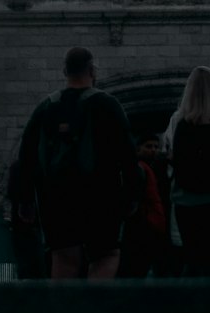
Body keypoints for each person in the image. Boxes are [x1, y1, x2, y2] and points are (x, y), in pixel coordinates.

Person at [17, 45, 140, 279]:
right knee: (105, 256)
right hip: (102, 194)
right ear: (93, 70)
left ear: (65, 71)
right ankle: (93, 312)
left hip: (55, 196)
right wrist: (132, 194)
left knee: (63, 258)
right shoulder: (107, 104)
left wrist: (26, 200)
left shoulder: (46, 107)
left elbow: (27, 156)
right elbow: (127, 153)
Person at [163, 66, 210, 277]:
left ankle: (190, 304)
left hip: (185, 200)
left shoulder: (178, 122)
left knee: (191, 257)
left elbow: (171, 155)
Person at [119, 132, 167, 277]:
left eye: (155, 147)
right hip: (145, 224)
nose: (153, 150)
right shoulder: (141, 169)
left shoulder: (146, 168)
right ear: (138, 149)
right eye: (148, 146)